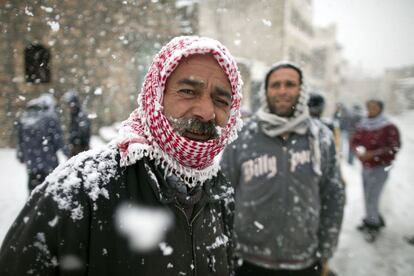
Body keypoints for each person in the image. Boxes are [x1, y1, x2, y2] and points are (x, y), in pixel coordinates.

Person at [0, 36, 243, 275]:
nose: (206, 112)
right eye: (188, 91)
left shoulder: (220, 192)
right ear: (155, 96)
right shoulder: (80, 190)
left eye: (221, 100)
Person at [221, 62, 345, 276]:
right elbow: (223, 195)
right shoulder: (243, 136)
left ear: (302, 90)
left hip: (304, 259)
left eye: (290, 84)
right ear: (265, 91)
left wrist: (325, 250)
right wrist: (224, 248)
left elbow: (333, 196)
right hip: (248, 258)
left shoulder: (321, 138)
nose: (282, 91)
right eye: (275, 85)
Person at [351, 99, 400, 241]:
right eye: (369, 107)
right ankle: (372, 218)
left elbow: (394, 147)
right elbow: (355, 141)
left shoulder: (388, 127)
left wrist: (374, 154)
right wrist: (358, 152)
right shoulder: (363, 125)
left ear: (380, 109)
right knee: (367, 194)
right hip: (366, 166)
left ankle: (373, 226)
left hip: (380, 167)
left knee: (373, 195)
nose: (371, 109)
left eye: (374, 107)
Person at [15, 93, 66, 193]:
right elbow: (58, 140)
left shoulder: (24, 118)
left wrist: (21, 155)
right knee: (50, 191)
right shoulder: (50, 118)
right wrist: (67, 153)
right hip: (49, 162)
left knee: (33, 190)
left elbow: (20, 140)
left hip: (31, 163)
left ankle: (33, 206)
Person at [63, 89, 91, 157]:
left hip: (81, 150)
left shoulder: (81, 115)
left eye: (69, 104)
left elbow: (83, 133)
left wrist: (73, 140)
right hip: (75, 149)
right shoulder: (74, 114)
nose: (69, 107)